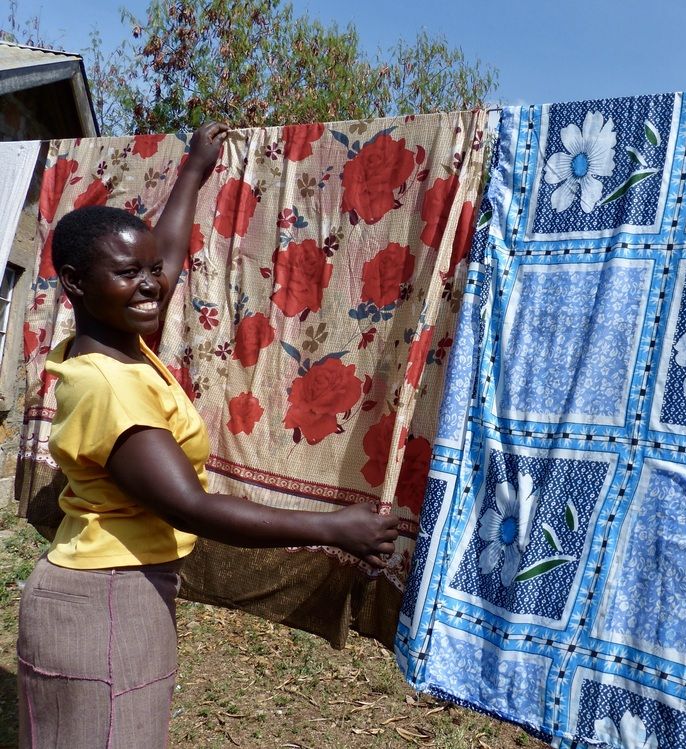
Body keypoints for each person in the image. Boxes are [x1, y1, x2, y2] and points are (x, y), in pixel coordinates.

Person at [16, 122, 400, 748]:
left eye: (151, 271)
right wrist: (332, 529)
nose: (151, 284)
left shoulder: (117, 345)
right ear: (76, 284)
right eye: (128, 273)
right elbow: (189, 507)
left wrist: (194, 169)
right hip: (104, 603)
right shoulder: (111, 387)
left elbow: (163, 259)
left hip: (117, 591)